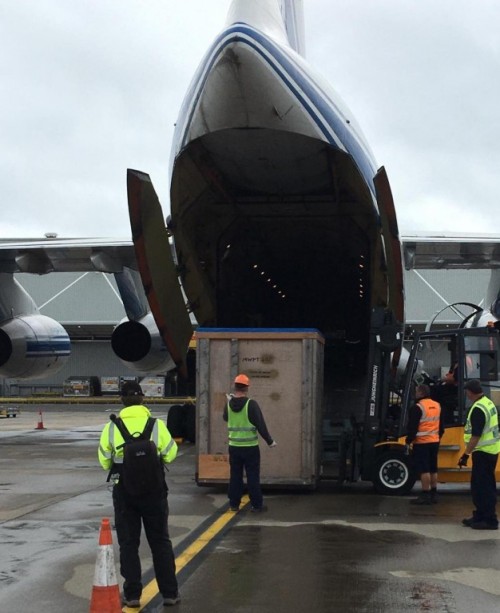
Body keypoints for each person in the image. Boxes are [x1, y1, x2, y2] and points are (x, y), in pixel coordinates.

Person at [98, 381, 180, 607]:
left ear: (122, 400)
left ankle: (133, 595)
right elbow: (171, 454)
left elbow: (104, 460)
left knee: (128, 543)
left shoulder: (112, 427)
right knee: (161, 541)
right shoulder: (156, 425)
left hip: (125, 492)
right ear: (143, 399)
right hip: (154, 491)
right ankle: (170, 593)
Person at [223, 373, 276, 512]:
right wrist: (270, 441)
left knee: (235, 476)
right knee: (252, 476)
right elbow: (260, 425)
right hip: (250, 448)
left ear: (235, 387)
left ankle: (234, 504)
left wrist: (230, 402)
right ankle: (257, 505)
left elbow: (225, 418)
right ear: (246, 388)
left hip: (234, 447)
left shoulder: (228, 404)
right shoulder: (251, 404)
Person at [459, 379, 500, 530]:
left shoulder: (478, 409)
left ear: (470, 392)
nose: (466, 394)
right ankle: (480, 515)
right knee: (480, 485)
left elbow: (476, 435)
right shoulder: (488, 403)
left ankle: (490, 520)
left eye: (467, 391)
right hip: (491, 451)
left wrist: (466, 454)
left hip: (483, 452)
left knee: (483, 487)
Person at [406, 383, 444, 505]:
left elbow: (413, 427)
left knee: (424, 469)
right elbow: (441, 427)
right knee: (433, 468)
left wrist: (408, 441)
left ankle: (425, 494)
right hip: (434, 441)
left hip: (422, 443)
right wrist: (437, 437)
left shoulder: (417, 407)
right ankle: (434, 493)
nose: (415, 393)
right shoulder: (437, 406)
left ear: (421, 393)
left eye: (417, 391)